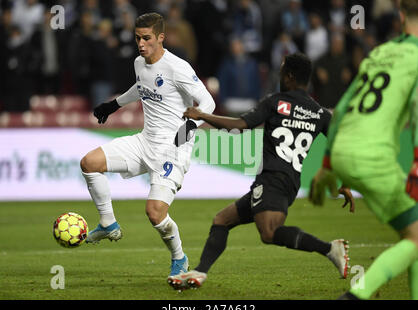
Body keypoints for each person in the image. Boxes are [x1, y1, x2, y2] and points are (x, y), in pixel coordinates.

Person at [168, 53, 354, 291]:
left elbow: (239, 127)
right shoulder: (319, 113)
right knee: (222, 220)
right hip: (288, 183)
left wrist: (202, 115)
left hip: (272, 179)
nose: (278, 75)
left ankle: (329, 249)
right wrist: (345, 181)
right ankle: (200, 272)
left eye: (281, 70)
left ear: (288, 76)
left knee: (268, 232)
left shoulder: (275, 102)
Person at [79, 12, 216, 282]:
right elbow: (142, 86)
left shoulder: (178, 67)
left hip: (173, 149)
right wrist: (114, 104)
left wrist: (187, 130)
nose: (141, 44)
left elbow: (208, 103)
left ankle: (179, 257)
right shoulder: (139, 63)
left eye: (146, 38)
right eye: (137, 38)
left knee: (154, 213)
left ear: (161, 38)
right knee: (89, 163)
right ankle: (108, 223)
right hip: (144, 142)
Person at [309, 0, 418, 300]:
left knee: (413, 234)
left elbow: (342, 108)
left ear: (399, 16)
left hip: (343, 149)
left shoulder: (380, 53)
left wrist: (327, 164)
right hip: (373, 155)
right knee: (417, 238)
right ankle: (356, 296)